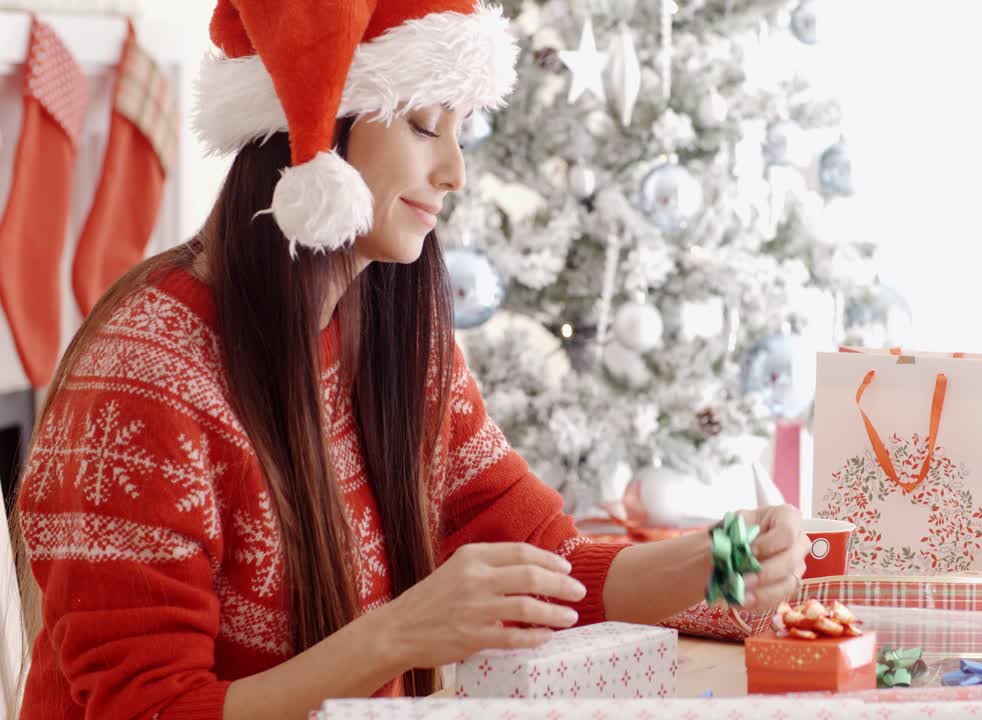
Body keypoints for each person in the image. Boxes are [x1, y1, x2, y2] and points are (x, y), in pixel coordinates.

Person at [9, 2, 809, 718]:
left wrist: (725, 559)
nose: (455, 173)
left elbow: (551, 569)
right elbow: (148, 710)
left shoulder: (397, 338)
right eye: (426, 126)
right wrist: (399, 635)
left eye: (461, 132)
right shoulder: (147, 380)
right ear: (316, 130)